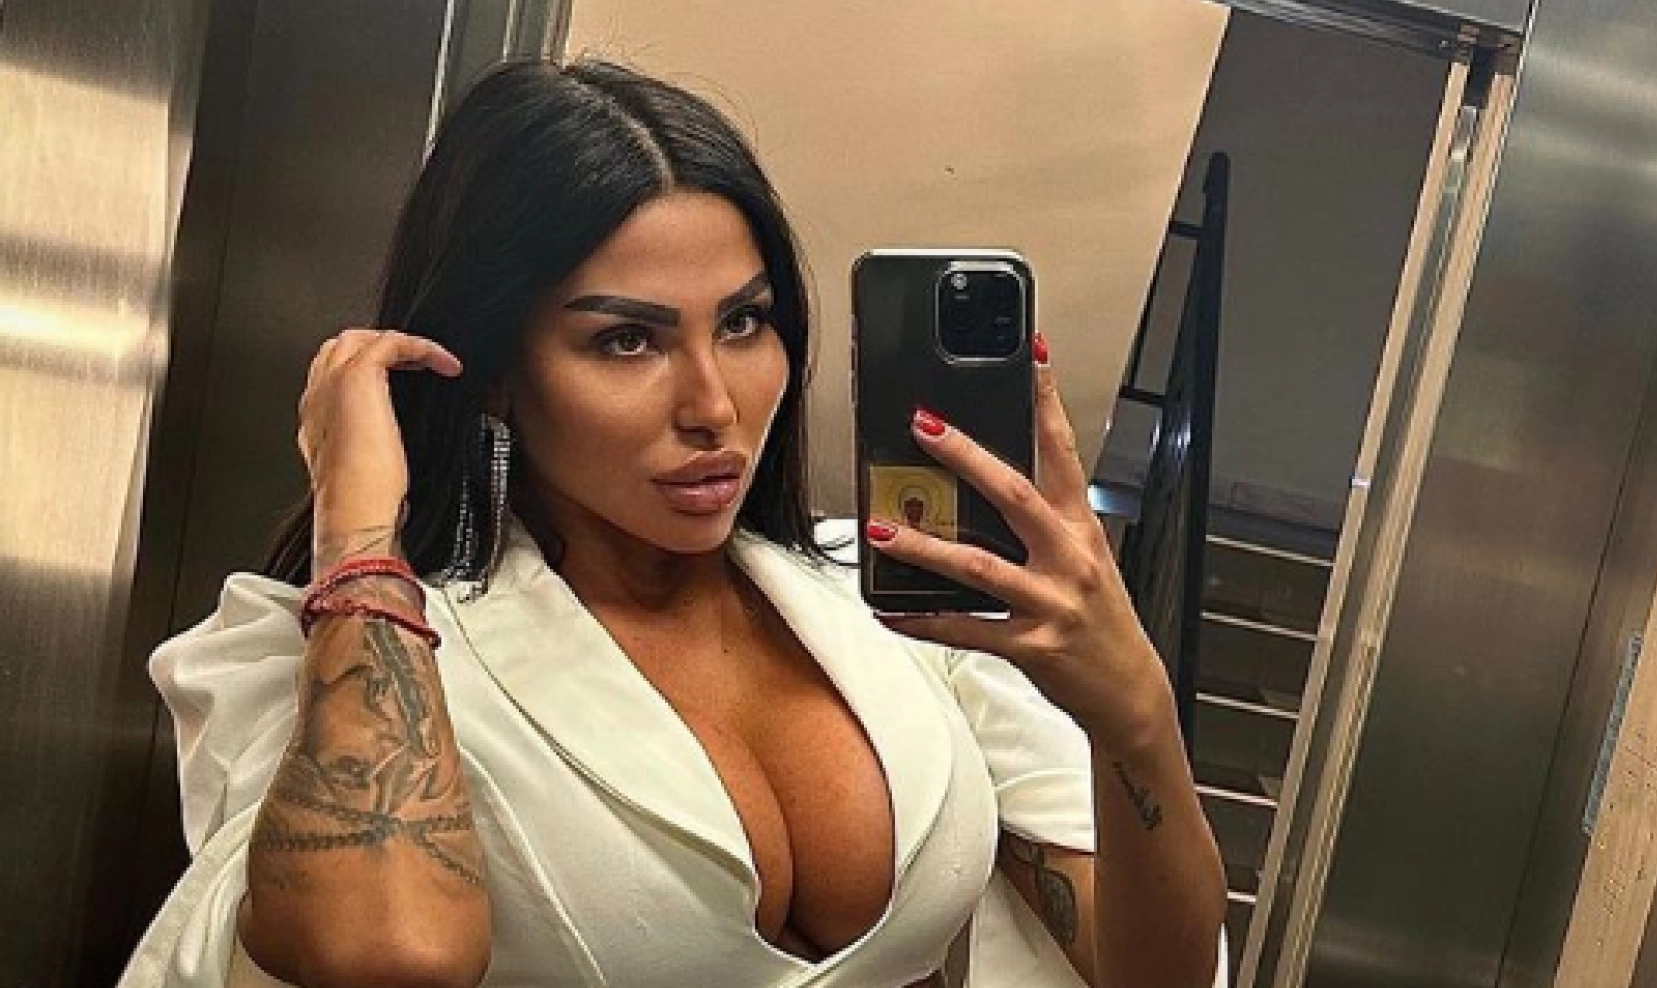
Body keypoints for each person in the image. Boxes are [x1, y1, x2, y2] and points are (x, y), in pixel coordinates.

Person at [120, 58, 1227, 987]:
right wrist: (359, 529)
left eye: (743, 323)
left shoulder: (891, 606)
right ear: (494, 369)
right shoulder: (338, 651)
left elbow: (1153, 977)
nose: (713, 406)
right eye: (626, 340)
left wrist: (1130, 709)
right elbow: (383, 954)